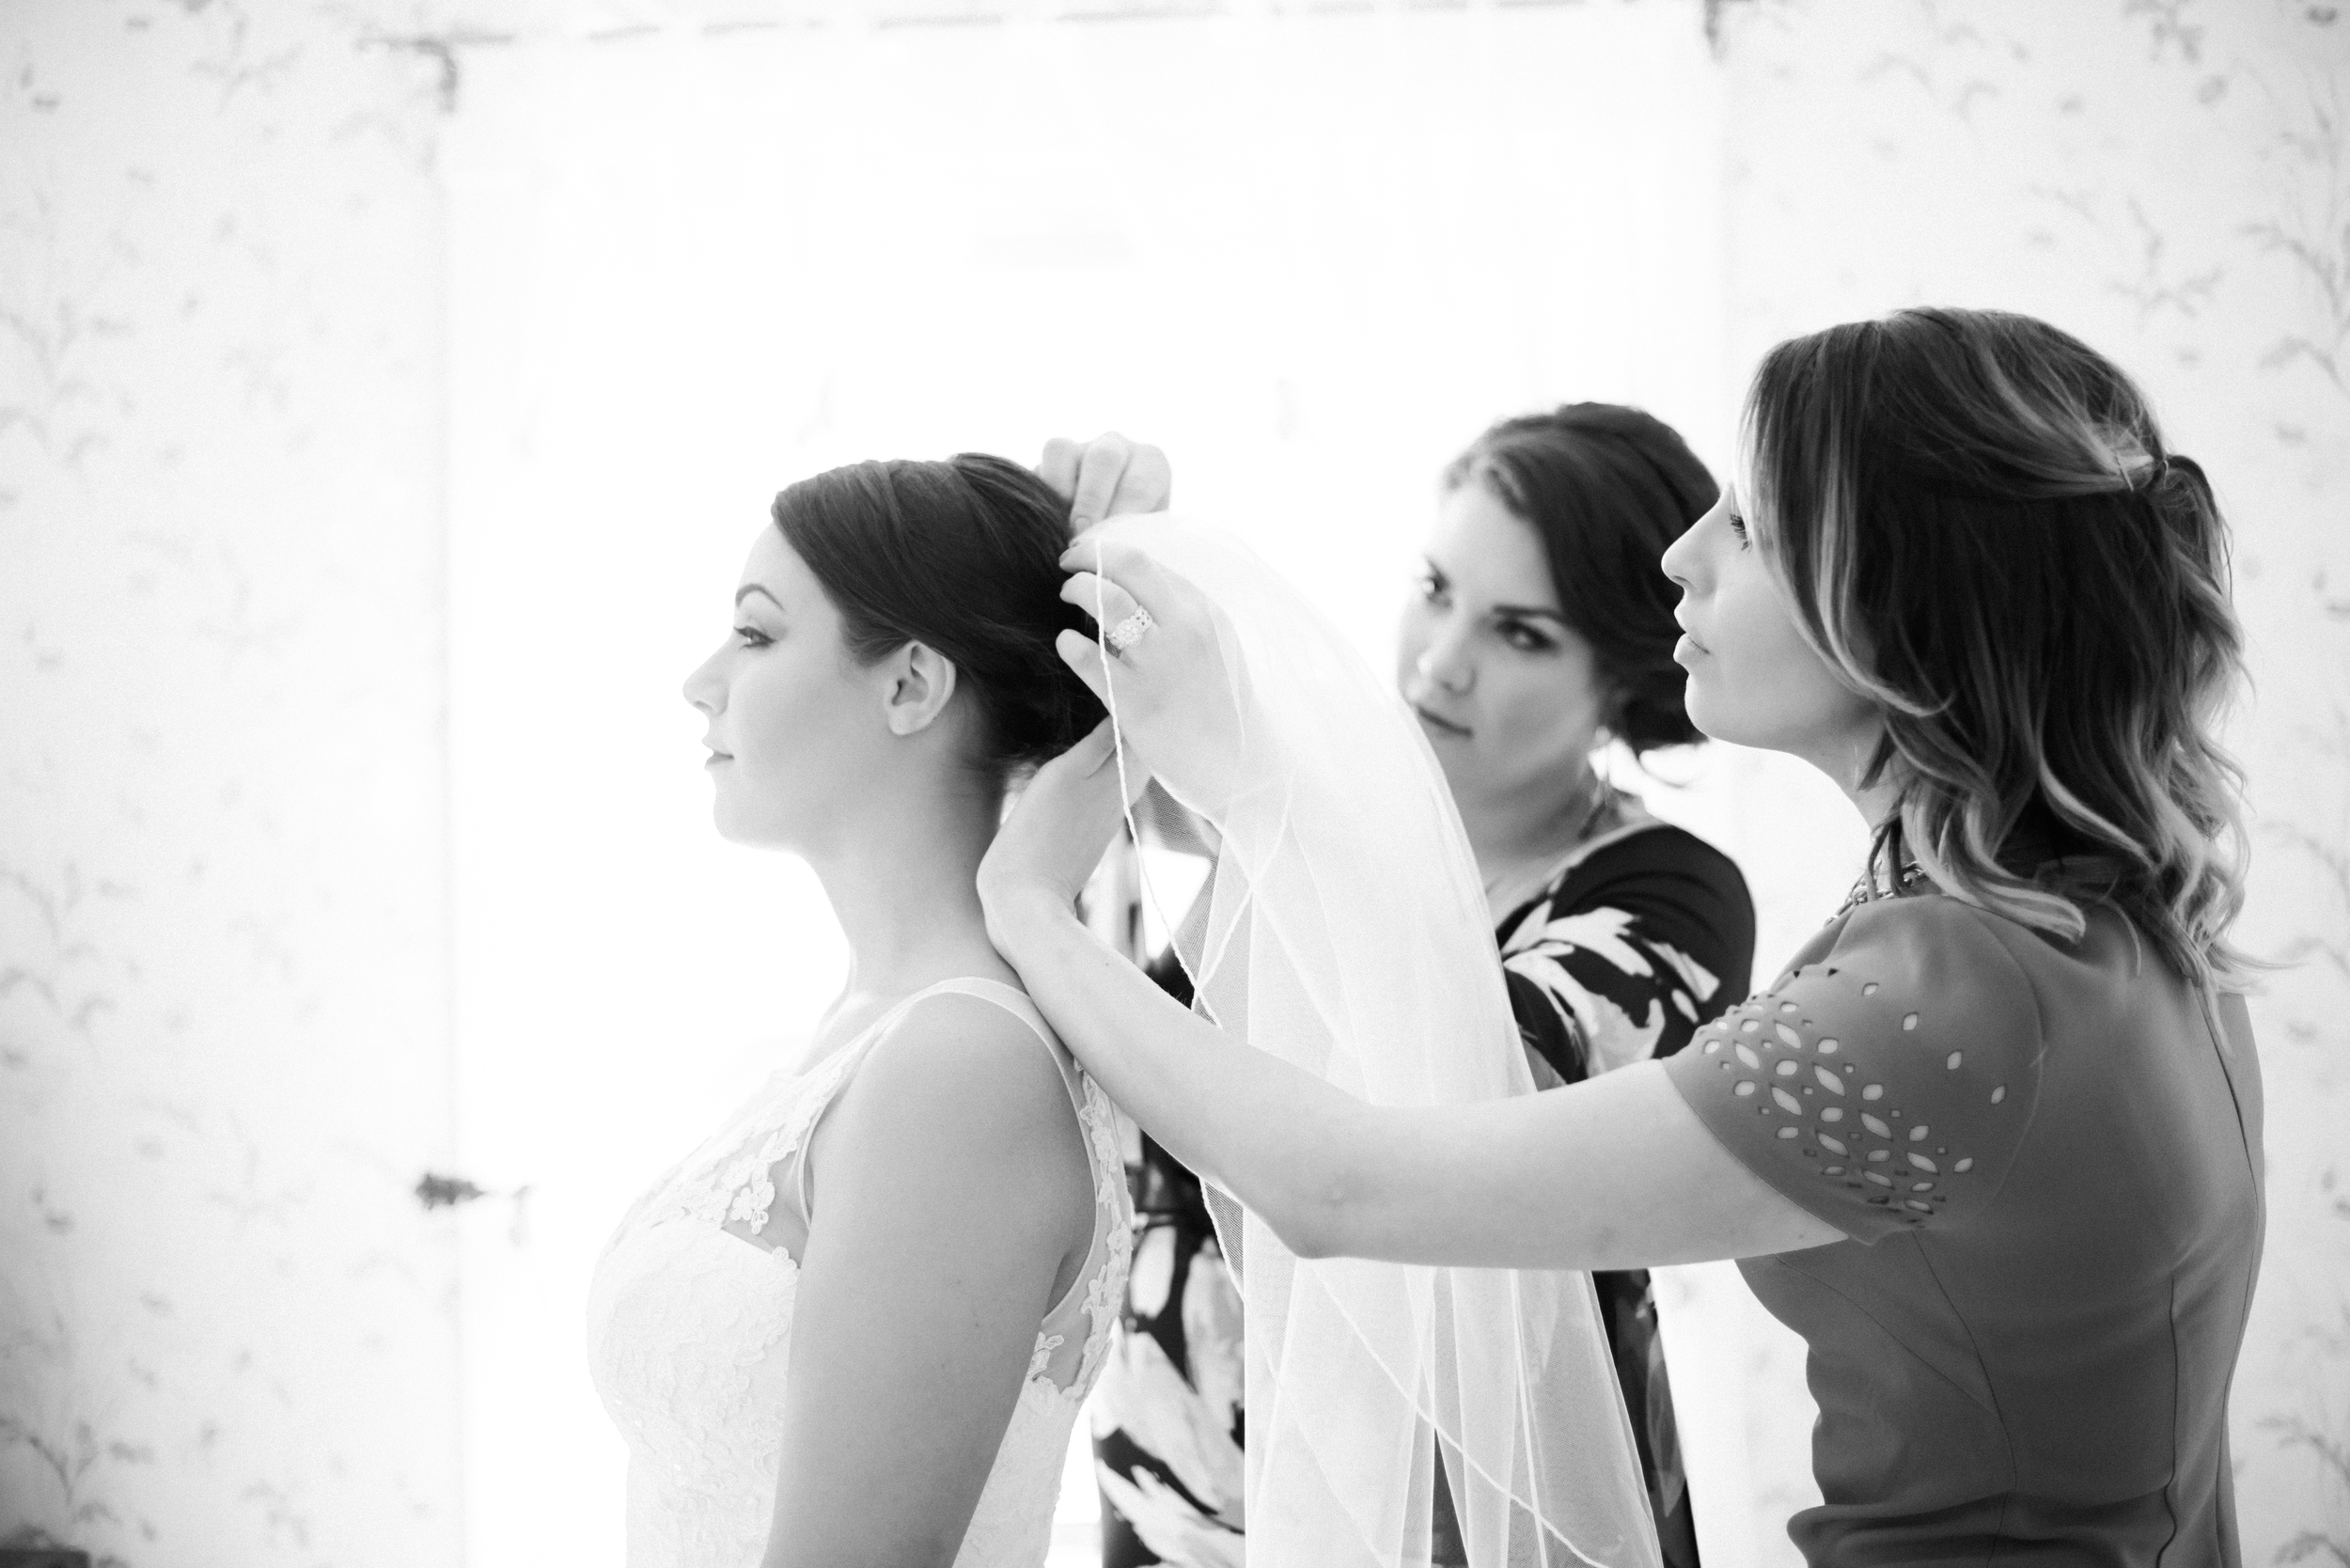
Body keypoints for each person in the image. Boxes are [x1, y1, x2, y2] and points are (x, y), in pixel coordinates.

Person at [984, 307, 2264, 1563]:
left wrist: (1033, 912)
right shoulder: (2111, 917)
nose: (1682, 559)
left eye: (1749, 526)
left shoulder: (1959, 995)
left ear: (1895, 604)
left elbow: (1345, 1188)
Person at [1055, 410, 1752, 1568]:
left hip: (1459, 1523)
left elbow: (1445, 1126)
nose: (1441, 660)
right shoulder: (1281, 820)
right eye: (1435, 587)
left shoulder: (1667, 897)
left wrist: (1260, 797)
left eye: (1521, 633)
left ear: (1624, 673)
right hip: (1172, 1512)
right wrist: (1096, 564)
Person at [586, 455, 1134, 1568]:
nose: (701, 682)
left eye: (754, 634)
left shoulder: (960, 1069)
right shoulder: (871, 1024)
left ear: (909, 686)